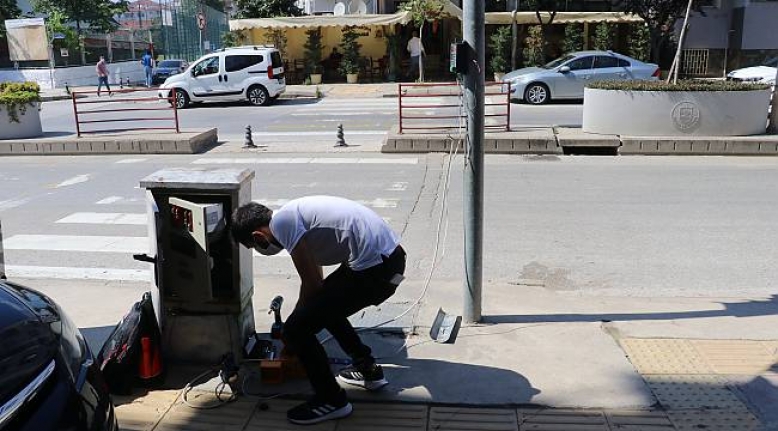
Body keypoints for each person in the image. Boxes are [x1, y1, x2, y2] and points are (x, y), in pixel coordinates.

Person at [231, 196, 406, 425]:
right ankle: (369, 370)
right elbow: (317, 285)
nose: (260, 249)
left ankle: (332, 400)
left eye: (255, 246)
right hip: (385, 261)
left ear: (257, 236)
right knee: (325, 308)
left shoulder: (283, 224)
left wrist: (291, 330)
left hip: (377, 269)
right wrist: (303, 315)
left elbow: (311, 284)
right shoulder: (290, 217)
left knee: (297, 329)